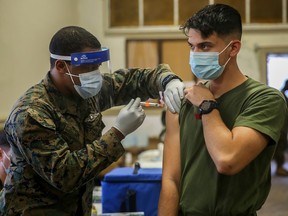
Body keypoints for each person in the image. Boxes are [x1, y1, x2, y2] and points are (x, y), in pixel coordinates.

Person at [1, 26, 185, 215]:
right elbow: (65, 174)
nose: (95, 75)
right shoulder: (32, 113)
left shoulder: (86, 92)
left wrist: (168, 81)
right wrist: (117, 133)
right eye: (87, 67)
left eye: (97, 67)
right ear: (61, 66)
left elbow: (135, 80)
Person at [158, 4, 287, 216]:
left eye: (205, 46)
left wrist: (208, 105)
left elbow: (227, 160)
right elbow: (171, 179)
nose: (196, 54)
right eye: (192, 46)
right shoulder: (182, 102)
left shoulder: (265, 99)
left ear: (233, 48)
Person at [273, 79, 288, 176]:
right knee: (280, 145)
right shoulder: (280, 95)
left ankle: (280, 167)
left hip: (283, 125)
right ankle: (279, 168)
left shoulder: (283, 95)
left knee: (282, 145)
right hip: (280, 126)